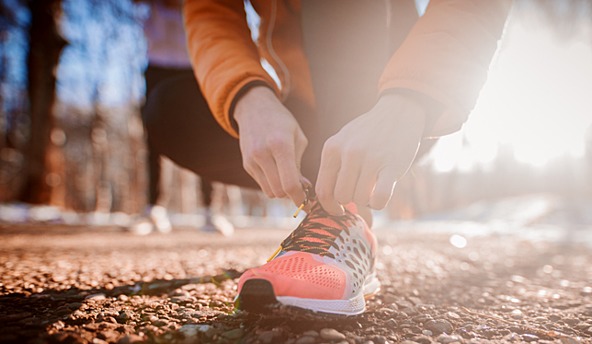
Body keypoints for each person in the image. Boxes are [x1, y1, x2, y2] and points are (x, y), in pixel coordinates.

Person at [151, 0, 511, 315]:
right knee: (168, 108)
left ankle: (349, 217)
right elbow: (210, 11)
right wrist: (247, 96)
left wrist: (411, 99)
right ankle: (325, 212)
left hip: (396, 110)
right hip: (302, 115)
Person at [133, 0, 234, 236]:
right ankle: (154, 209)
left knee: (208, 138)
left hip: (196, 64)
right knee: (153, 139)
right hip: (157, 64)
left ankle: (211, 210)